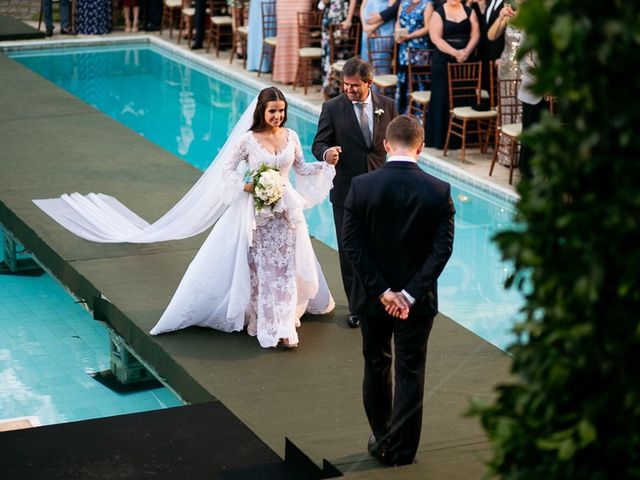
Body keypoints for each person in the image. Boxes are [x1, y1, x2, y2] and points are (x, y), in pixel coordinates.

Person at [33, 87, 336, 349]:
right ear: (262, 111)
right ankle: (263, 321)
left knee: (284, 269)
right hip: (255, 215)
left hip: (285, 215)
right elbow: (226, 172)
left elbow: (301, 169)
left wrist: (325, 162)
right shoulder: (248, 141)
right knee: (261, 269)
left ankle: (282, 326)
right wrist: (248, 185)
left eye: (282, 111)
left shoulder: (291, 136)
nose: (278, 117)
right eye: (273, 111)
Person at [342, 114, 455, 466]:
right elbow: (442, 249)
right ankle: (403, 452)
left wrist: (382, 292)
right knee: (411, 371)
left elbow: (351, 244)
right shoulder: (439, 191)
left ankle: (383, 438)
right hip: (417, 304)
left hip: (375, 301)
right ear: (421, 147)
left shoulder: (361, 186)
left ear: (386, 145)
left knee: (376, 364)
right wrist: (409, 294)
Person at [312, 56, 397, 329]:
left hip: (381, 190)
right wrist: (327, 153)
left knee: (380, 248)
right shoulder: (332, 107)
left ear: (369, 82)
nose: (348, 90)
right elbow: (319, 142)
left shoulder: (389, 106)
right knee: (350, 251)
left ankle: (380, 299)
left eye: (354, 86)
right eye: (345, 85)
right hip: (346, 191)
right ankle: (357, 307)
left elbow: (395, 143)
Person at [425, 0, 479, 149]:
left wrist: (466, 52)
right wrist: (455, 53)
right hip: (443, 62)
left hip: (465, 61)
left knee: (465, 95)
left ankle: (466, 139)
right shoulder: (438, 12)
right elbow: (435, 38)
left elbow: (476, 34)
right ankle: (441, 139)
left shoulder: (469, 11)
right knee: (442, 97)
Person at [394, 0, 434, 113]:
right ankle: (403, 113)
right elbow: (398, 21)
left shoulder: (427, 4)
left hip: (419, 50)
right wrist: (397, 33)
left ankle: (418, 114)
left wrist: (409, 36)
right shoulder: (404, 2)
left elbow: (427, 27)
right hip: (404, 49)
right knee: (404, 79)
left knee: (418, 80)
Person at [319, 0, 357, 98]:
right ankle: (328, 86)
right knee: (327, 52)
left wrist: (349, 19)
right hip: (329, 17)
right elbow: (324, 2)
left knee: (340, 52)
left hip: (342, 17)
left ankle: (340, 89)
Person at [273, 0, 312, 84]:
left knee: (301, 28)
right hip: (284, 3)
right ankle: (285, 76)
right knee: (284, 32)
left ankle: (300, 77)